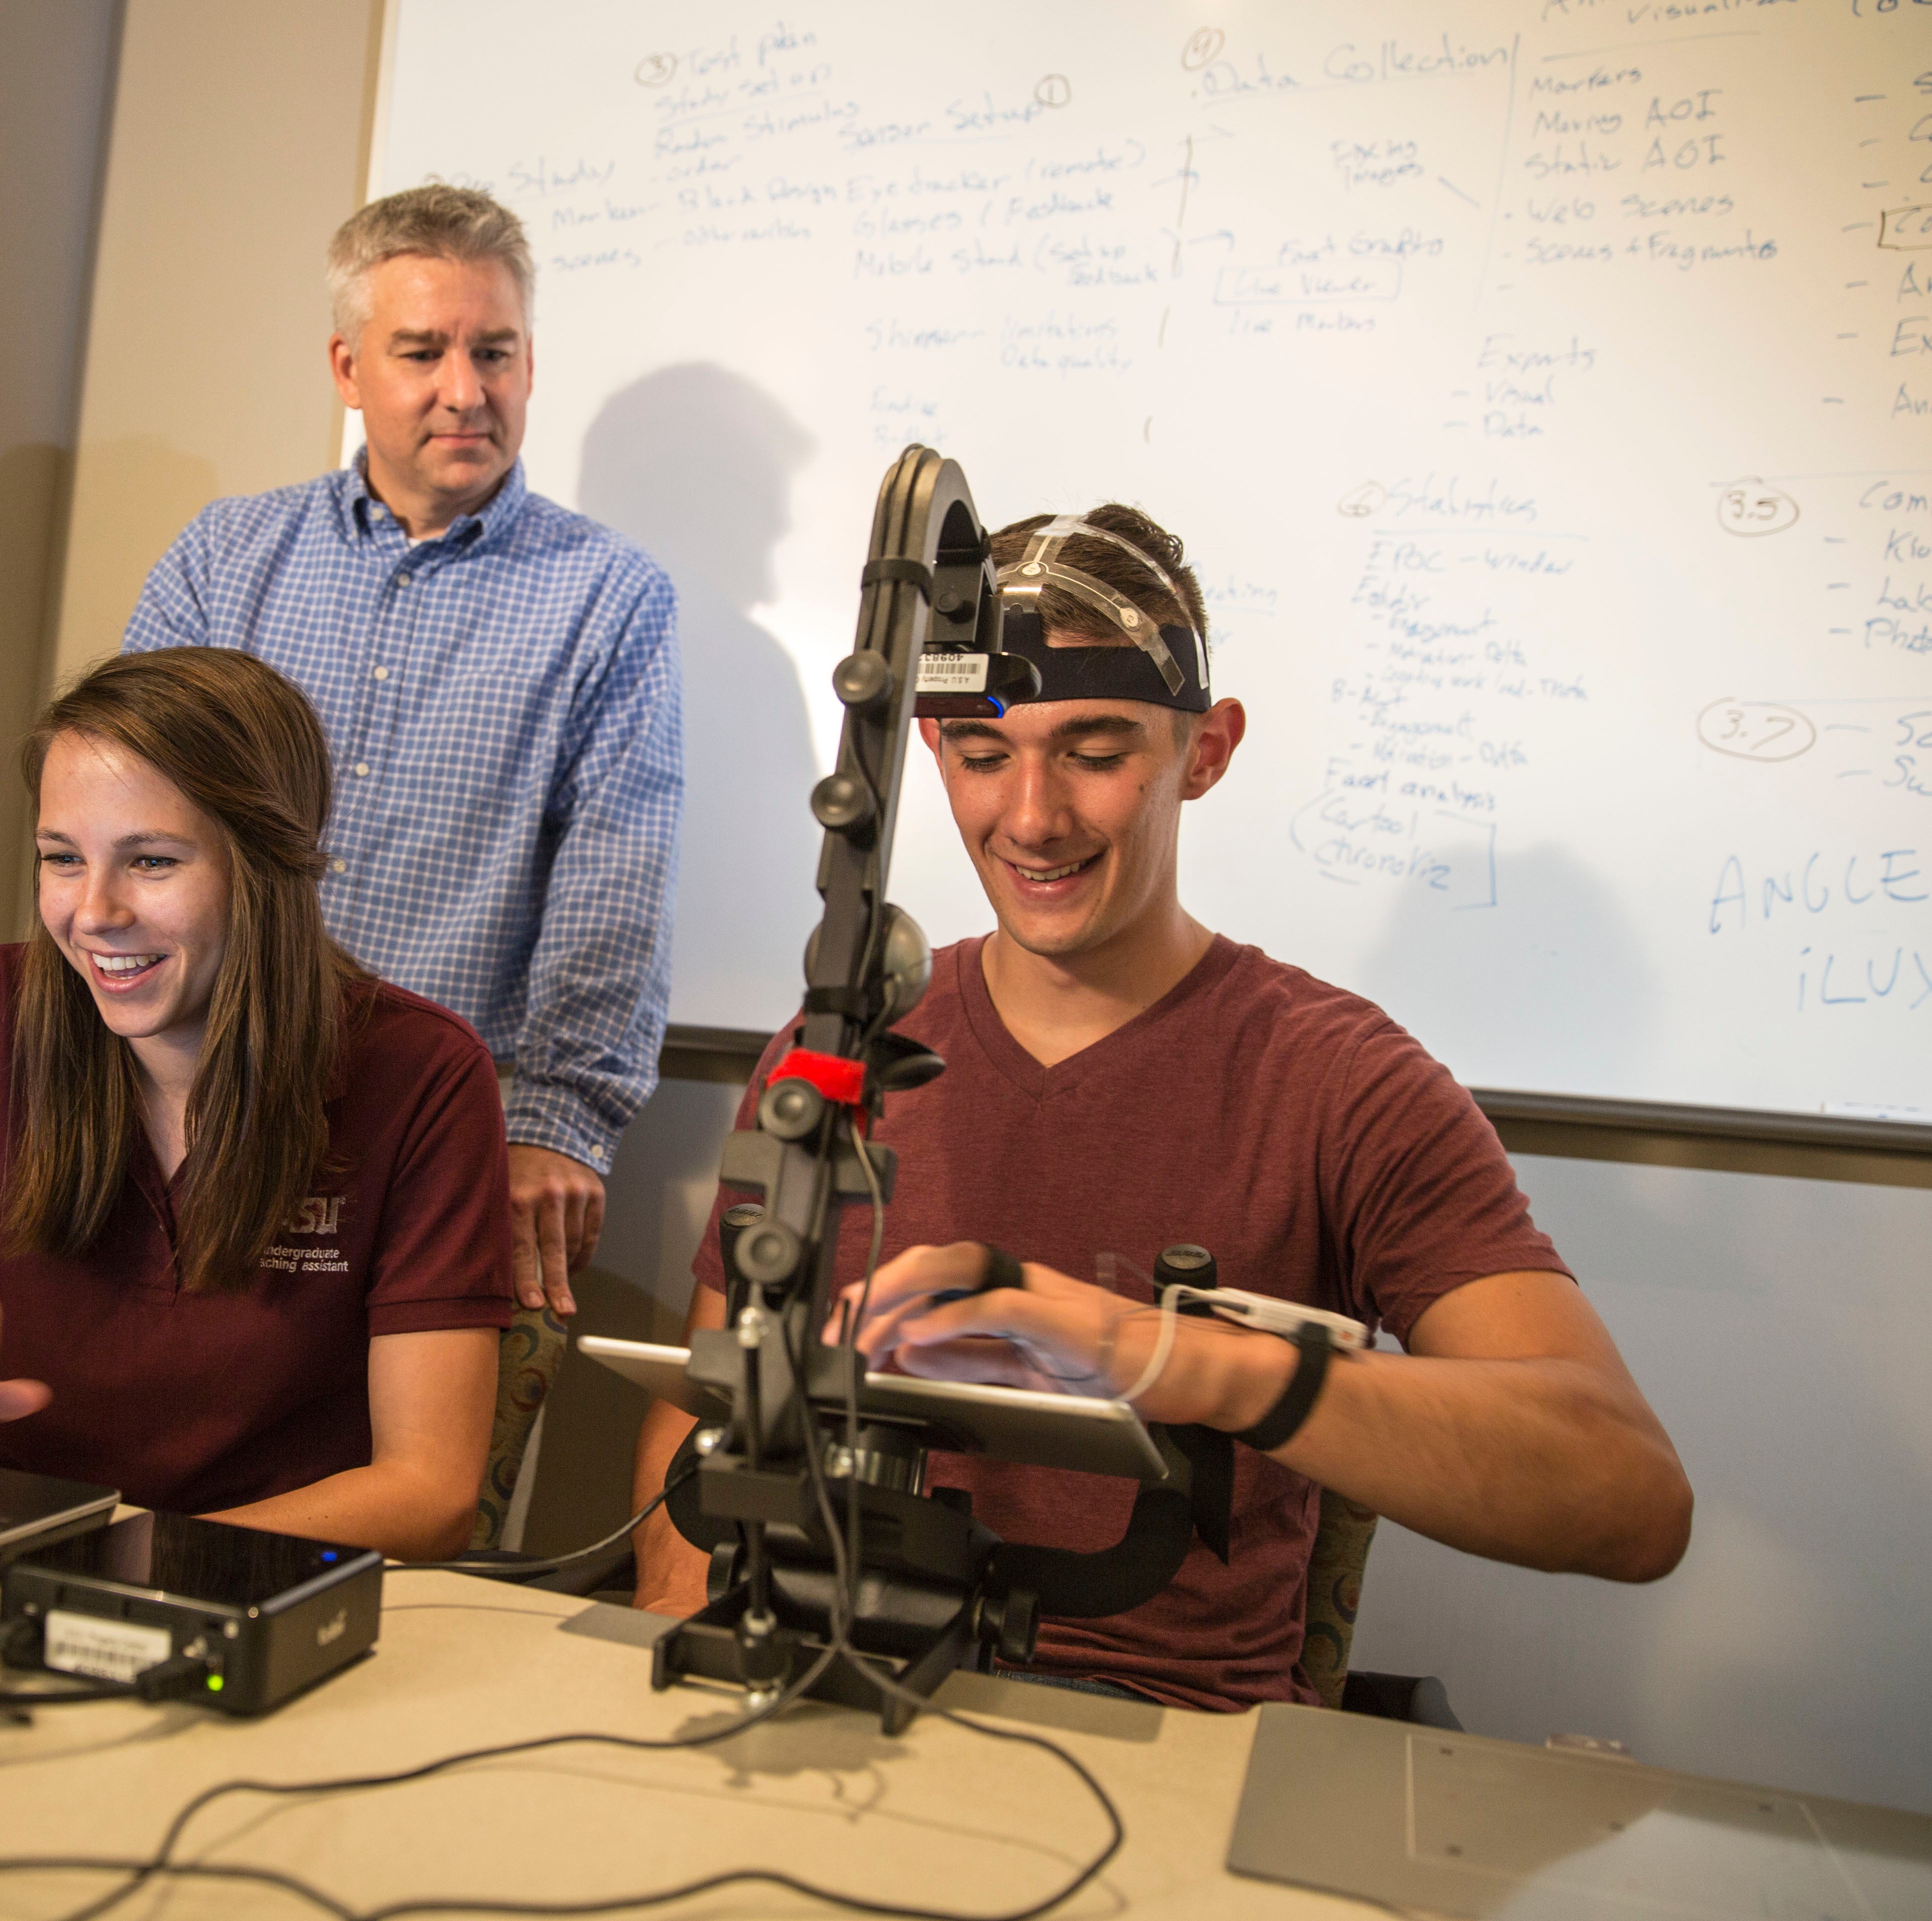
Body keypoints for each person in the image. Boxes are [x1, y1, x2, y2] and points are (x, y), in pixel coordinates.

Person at [627, 507, 1693, 1708]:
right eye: (984, 756)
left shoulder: (1345, 1086)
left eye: (1094, 751)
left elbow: (1627, 1496)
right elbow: (701, 1405)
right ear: (927, 748)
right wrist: (684, 1628)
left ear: (1208, 749)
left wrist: (1160, 1355)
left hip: (1165, 1745)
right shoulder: (832, 1052)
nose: (1031, 817)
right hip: (828, 1689)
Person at [0, 649, 509, 1560]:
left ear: (266, 869)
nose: (94, 912)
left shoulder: (420, 1074)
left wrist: (115, 1567)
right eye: (62, 859)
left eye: (150, 861)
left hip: (259, 1588)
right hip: (18, 1572)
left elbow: (428, 1493)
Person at [123, 183, 683, 1318]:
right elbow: (114, 831)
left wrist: (558, 1127)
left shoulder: (609, 598)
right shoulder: (221, 561)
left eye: (496, 352)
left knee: (408, 1490)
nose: (465, 393)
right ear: (347, 369)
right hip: (189, 1122)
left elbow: (614, 882)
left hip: (445, 1155)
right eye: (422, 352)